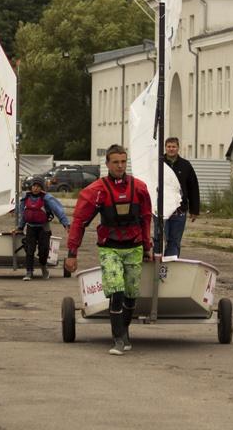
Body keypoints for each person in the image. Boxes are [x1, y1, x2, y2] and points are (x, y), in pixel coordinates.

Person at [65, 144, 152, 356]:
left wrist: (147, 247)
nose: (120, 166)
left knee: (131, 294)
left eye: (123, 162)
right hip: (109, 248)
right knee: (116, 291)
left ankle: (124, 331)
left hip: (134, 247)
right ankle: (118, 338)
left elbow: (146, 218)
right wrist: (72, 253)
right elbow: (79, 221)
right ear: (107, 164)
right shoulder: (96, 191)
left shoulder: (139, 188)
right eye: (115, 162)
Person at [17, 177, 70, 281]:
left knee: (43, 251)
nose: (35, 188)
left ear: (42, 188)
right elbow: (23, 214)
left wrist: (66, 224)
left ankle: (43, 267)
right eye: (34, 186)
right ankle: (29, 272)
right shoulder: (25, 198)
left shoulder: (47, 198)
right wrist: (20, 227)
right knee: (29, 250)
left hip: (44, 227)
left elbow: (58, 210)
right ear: (31, 187)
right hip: (31, 227)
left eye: (38, 186)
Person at [156, 137, 201, 258]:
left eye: (174, 146)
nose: (171, 149)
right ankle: (158, 264)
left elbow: (193, 187)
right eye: (169, 146)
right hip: (161, 209)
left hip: (179, 210)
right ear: (165, 148)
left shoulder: (185, 165)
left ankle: (171, 264)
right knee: (159, 240)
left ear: (178, 148)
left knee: (174, 240)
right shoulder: (158, 164)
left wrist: (194, 210)